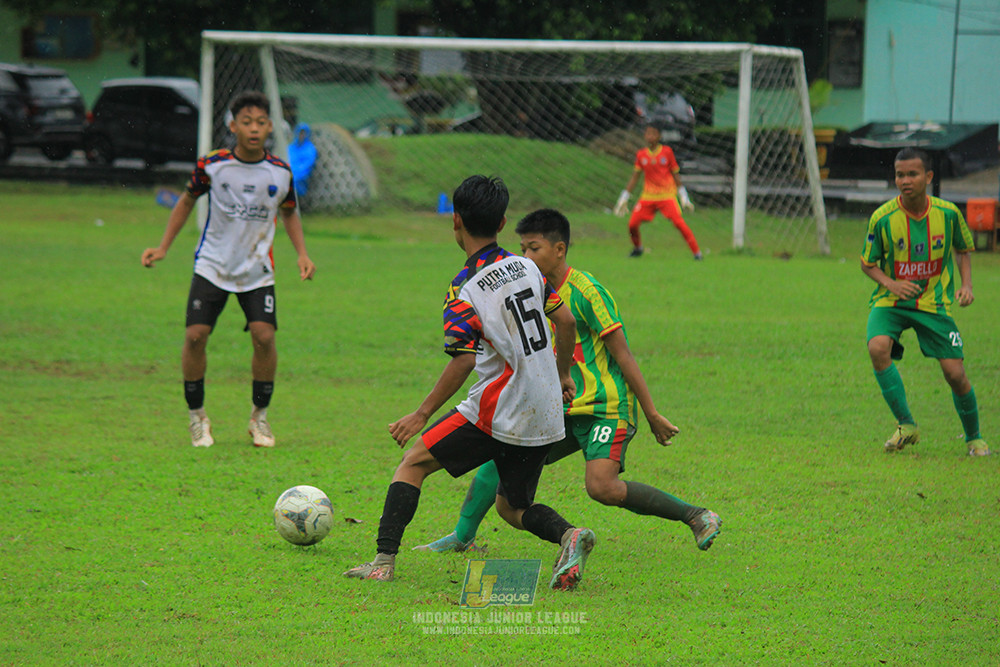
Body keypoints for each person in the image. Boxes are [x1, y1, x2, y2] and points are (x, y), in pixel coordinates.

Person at [416, 208, 722, 555]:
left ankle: (696, 515)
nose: (526, 256)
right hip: (558, 405)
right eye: (523, 248)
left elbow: (624, 356)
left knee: (602, 487)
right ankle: (462, 536)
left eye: (534, 248)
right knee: (497, 453)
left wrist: (651, 414)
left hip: (605, 406)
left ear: (559, 249)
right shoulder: (528, 287)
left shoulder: (587, 291)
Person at [344, 176, 596, 591]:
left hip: (499, 407)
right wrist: (564, 373)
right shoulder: (528, 266)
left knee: (413, 463)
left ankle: (382, 562)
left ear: (455, 221)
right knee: (512, 506)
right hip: (546, 407)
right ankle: (569, 535)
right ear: (502, 222)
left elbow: (463, 360)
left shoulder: (463, 289)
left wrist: (421, 414)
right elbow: (565, 321)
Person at [141, 90, 316, 449]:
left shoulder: (280, 172)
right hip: (212, 266)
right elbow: (186, 201)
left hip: (257, 270)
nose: (254, 129)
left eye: (261, 122)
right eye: (247, 122)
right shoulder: (212, 165)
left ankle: (259, 418)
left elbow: (289, 211)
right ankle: (197, 417)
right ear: (233, 126)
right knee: (195, 337)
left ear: (270, 127)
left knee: (264, 337)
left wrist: (301, 253)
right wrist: (163, 247)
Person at [860, 147, 989, 456]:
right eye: (900, 175)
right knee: (877, 346)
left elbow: (963, 249)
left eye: (913, 174)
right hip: (891, 301)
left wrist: (967, 285)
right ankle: (907, 425)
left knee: (954, 373)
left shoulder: (947, 213)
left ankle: (974, 438)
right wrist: (891, 283)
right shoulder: (882, 217)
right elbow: (867, 263)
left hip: (934, 302)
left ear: (928, 177)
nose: (906, 180)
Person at [614, 123, 702, 259]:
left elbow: (675, 175)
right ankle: (638, 248)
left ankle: (697, 253)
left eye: (653, 133)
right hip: (648, 196)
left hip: (666, 195)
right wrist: (624, 197)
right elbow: (635, 177)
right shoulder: (641, 154)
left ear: (659, 136)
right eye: (648, 133)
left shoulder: (667, 152)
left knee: (679, 223)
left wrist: (684, 197)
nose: (650, 136)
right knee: (632, 224)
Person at [288, 123, 317, 199]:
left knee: (294, 180)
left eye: (304, 133)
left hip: (303, 173)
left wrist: (296, 171)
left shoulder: (309, 148)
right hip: (290, 171)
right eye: (300, 133)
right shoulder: (291, 147)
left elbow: (309, 163)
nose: (301, 135)